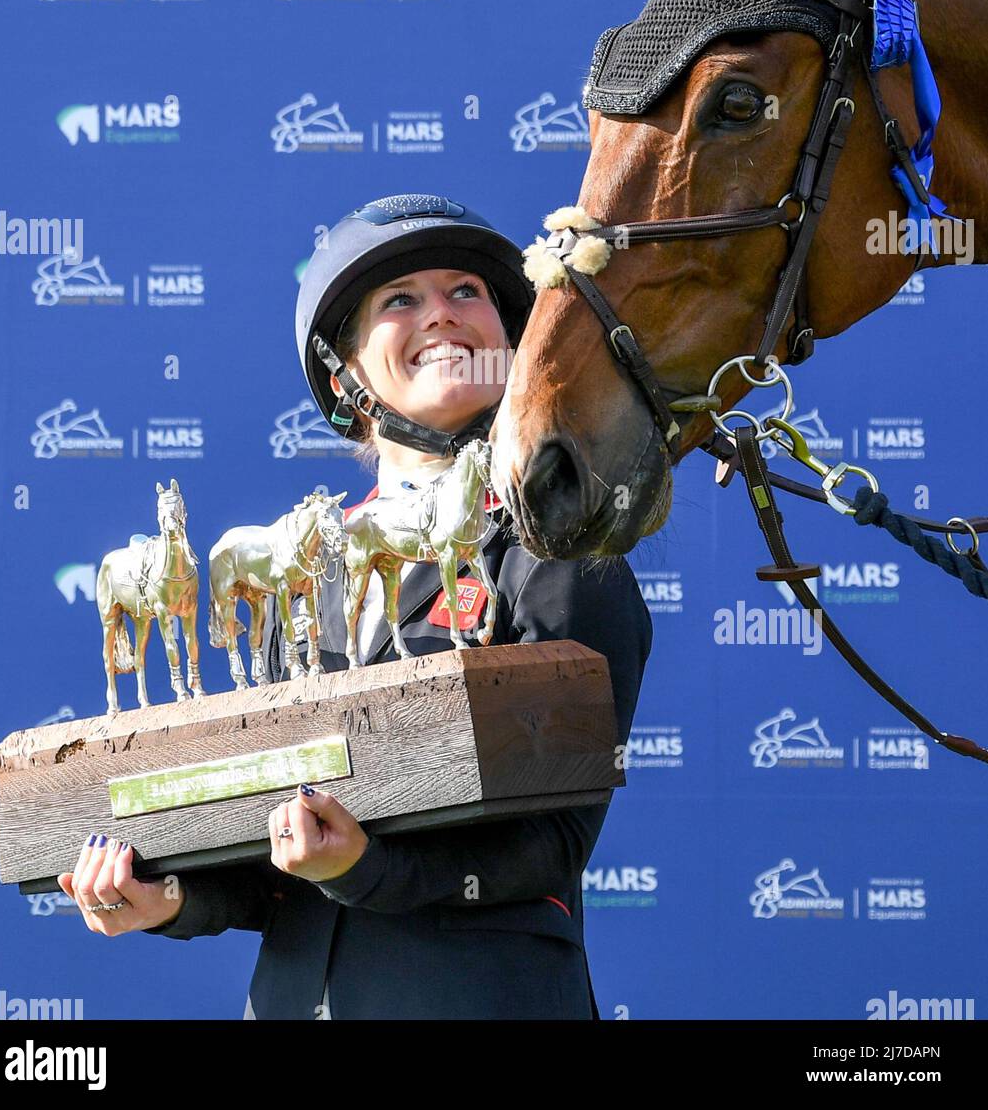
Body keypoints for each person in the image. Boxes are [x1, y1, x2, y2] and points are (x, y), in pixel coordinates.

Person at [57, 192, 653, 1020]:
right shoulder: (298, 574)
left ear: (509, 342)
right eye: (400, 301)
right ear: (348, 375)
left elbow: (550, 845)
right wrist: (170, 899)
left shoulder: (560, 557)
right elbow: (268, 862)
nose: (441, 315)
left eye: (466, 291)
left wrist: (363, 868)